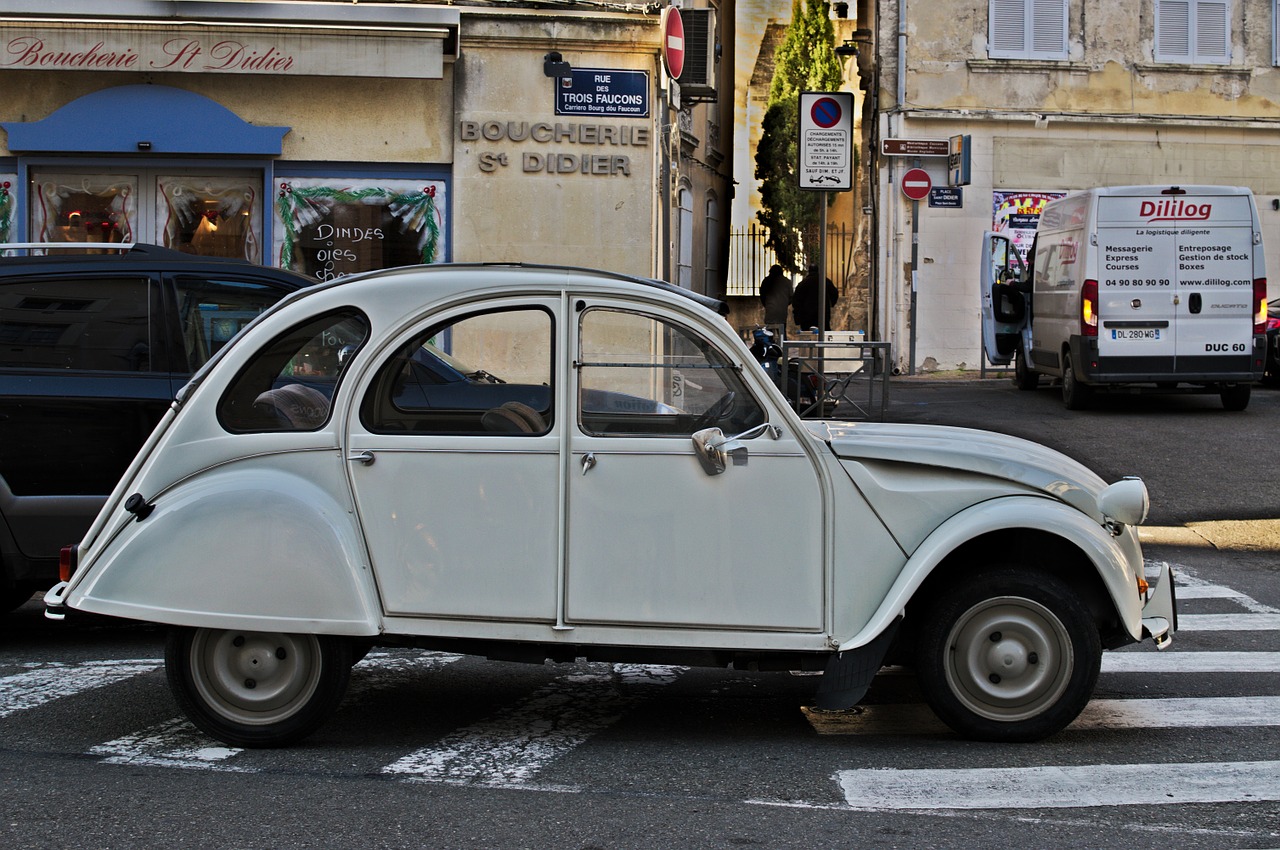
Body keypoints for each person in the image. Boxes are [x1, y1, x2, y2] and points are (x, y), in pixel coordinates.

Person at [791, 264, 838, 331]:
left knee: (808, 336)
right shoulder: (825, 281)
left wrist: (798, 316)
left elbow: (796, 301)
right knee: (823, 336)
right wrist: (830, 304)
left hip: (806, 316)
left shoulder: (803, 283)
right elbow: (834, 293)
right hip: (822, 314)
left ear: (809, 271)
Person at [758, 264, 792, 336]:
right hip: (782, 310)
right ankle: (782, 345)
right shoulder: (787, 282)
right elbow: (791, 297)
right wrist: (785, 304)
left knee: (769, 332)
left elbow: (762, 295)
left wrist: (766, 304)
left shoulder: (766, 281)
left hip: (770, 309)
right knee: (782, 332)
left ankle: (770, 345)